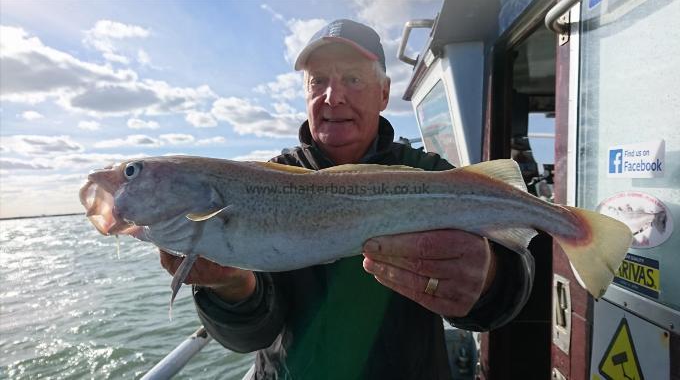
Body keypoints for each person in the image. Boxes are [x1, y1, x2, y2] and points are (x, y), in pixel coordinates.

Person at [160, 19, 533, 379]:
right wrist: (231, 288)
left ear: (384, 94)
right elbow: (250, 336)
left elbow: (512, 270)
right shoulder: (260, 184)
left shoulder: (429, 173)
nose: (332, 97)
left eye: (352, 79)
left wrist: (490, 277)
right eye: (318, 81)